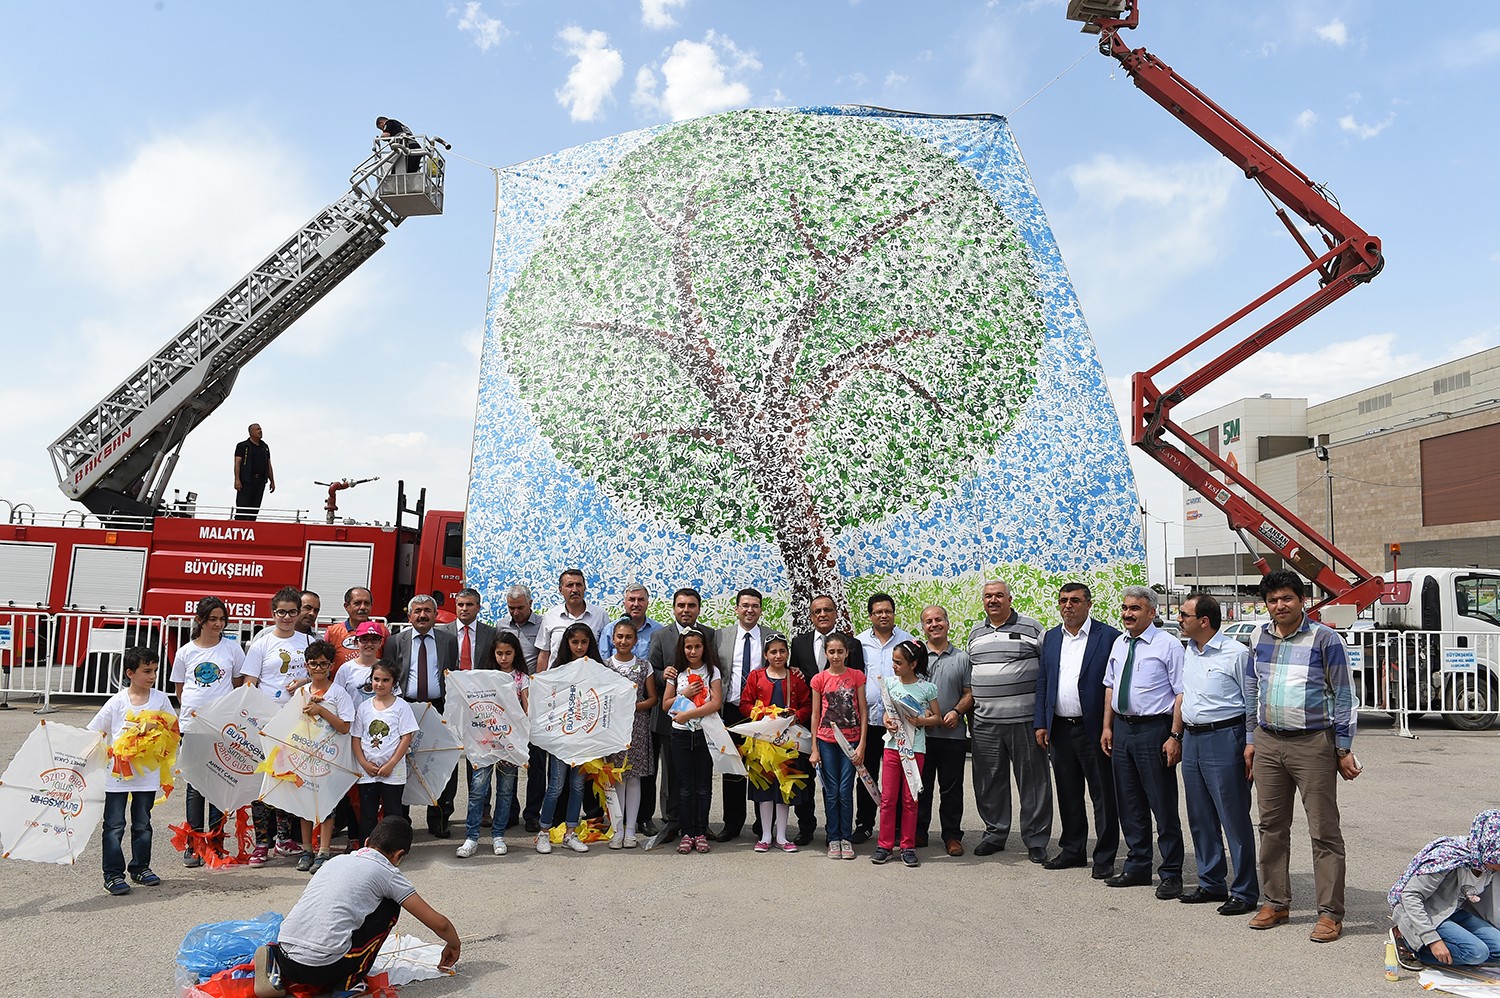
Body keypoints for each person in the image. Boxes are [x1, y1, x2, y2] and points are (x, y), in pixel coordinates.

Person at [1244, 569, 1361, 942]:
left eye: (1287, 598)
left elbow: (1343, 696)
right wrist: (1251, 738)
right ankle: (1275, 902)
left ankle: (1330, 913)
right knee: (1271, 827)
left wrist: (1342, 747)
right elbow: (1252, 690)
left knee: (1323, 831)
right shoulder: (1257, 635)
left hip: (1313, 744)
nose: (1279, 605)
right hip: (1268, 742)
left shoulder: (1325, 639)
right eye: (1273, 600)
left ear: (1302, 600)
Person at [253, 816, 460, 998]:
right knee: (391, 904)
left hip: (287, 954)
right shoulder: (387, 873)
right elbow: (439, 924)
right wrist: (454, 944)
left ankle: (274, 961)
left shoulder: (335, 861)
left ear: (367, 842)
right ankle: (349, 982)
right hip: (325, 968)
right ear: (398, 855)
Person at [1101, 585, 1186, 899]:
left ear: (1152, 612)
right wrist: (1107, 727)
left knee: (1162, 804)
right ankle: (1137, 866)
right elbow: (1110, 686)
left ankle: (1171, 872)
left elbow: (1180, 693)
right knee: (1130, 802)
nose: (1127, 614)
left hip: (1155, 731)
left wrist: (1175, 736)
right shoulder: (1120, 644)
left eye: (1135, 609)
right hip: (1122, 729)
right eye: (1125, 608)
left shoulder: (1168, 645)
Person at [1176, 592, 1259, 915]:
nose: (1180, 620)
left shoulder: (1236, 654)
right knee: (1199, 815)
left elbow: (1251, 700)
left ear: (1204, 621)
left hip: (1226, 737)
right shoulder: (1190, 652)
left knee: (1233, 816)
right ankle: (1211, 882)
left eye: (1184, 615)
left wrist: (1250, 741)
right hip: (1193, 739)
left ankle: (1244, 890)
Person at [1033, 583, 1122, 879]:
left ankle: (1105, 856)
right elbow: (1044, 681)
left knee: (1103, 794)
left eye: (1074, 600)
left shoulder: (1108, 637)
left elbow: (1114, 684)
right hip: (1059, 727)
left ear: (1088, 604)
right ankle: (1072, 850)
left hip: (1094, 728)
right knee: (1068, 792)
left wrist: (1110, 726)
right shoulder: (1051, 637)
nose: (1068, 606)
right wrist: (1041, 722)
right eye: (1063, 601)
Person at [967, 579, 1052, 863]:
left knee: (1033, 783)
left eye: (999, 596)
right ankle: (995, 833)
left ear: (1009, 599)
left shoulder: (1032, 628)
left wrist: (1042, 718)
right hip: (985, 723)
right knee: (989, 781)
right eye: (988, 596)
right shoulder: (975, 633)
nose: (993, 600)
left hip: (1025, 721)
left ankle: (1036, 839)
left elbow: (1047, 672)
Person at [88, 646, 177, 896]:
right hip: (117, 775)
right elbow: (95, 730)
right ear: (130, 673)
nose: (152, 676)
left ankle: (140, 867)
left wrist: (158, 734)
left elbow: (173, 729)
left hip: (146, 776)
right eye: (146, 671)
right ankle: (113, 874)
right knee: (114, 825)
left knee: (143, 823)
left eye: (155, 671)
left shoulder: (160, 699)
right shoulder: (117, 702)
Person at [170, 596, 245, 867]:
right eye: (212, 619)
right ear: (200, 620)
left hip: (220, 726)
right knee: (194, 784)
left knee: (217, 783)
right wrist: (193, 714)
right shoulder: (186, 651)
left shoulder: (232, 649)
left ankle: (216, 842)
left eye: (222, 619)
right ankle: (193, 843)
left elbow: (238, 686)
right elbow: (180, 689)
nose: (218, 624)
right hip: (193, 726)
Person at [242, 586, 315, 863]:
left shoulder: (307, 642)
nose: (286, 617)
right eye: (281, 612)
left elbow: (318, 674)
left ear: (299, 613)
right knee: (262, 782)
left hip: (296, 721)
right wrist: (259, 710)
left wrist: (304, 682)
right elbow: (249, 682)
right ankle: (262, 842)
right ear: (273, 613)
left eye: (292, 612)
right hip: (266, 722)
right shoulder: (261, 644)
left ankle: (285, 838)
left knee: (288, 780)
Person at [381, 593, 459, 837]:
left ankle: (440, 818)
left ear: (436, 615)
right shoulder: (396, 641)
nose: (422, 615)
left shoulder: (449, 640)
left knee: (442, 760)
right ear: (409, 615)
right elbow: (390, 673)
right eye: (417, 611)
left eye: (427, 611)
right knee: (404, 761)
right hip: (406, 707)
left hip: (439, 707)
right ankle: (401, 820)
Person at [789, 593, 865, 844]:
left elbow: (855, 687)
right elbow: (796, 676)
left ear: (836, 612)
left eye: (827, 610)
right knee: (807, 776)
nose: (822, 614)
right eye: (817, 611)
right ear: (811, 616)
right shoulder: (798, 643)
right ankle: (807, 826)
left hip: (845, 727)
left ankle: (844, 830)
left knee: (843, 786)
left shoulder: (852, 645)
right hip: (808, 720)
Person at [712, 587, 784, 842]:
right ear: (736, 609)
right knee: (732, 768)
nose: (749, 610)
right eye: (745, 605)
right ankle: (732, 823)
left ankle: (763, 825)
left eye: (755, 605)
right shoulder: (720, 636)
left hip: (763, 713)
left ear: (760, 609)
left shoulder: (772, 637)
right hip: (731, 710)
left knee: (764, 767)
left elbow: (783, 668)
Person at [1389, 809, 1500, 968]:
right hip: (1428, 913)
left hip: (1454, 912)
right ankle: (1409, 942)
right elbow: (1410, 896)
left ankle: (1449, 945)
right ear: (1488, 848)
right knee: (1476, 953)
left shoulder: (1488, 864)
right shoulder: (1447, 857)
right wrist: (1432, 940)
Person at [646, 587, 714, 840]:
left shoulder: (708, 634)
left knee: (699, 774)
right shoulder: (661, 635)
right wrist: (663, 674)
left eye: (691, 605)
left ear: (698, 608)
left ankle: (698, 824)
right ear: (674, 608)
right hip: (669, 718)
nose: (686, 610)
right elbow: (650, 669)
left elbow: (714, 668)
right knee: (673, 774)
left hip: (703, 718)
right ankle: (672, 821)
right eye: (681, 605)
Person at [458, 631, 530, 859]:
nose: (504, 658)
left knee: (506, 791)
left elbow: (527, 710)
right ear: (493, 654)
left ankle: (498, 835)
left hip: (509, 743)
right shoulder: (484, 677)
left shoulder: (521, 679)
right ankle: (471, 836)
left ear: (515, 653)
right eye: (499, 653)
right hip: (484, 743)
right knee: (478, 790)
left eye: (508, 653)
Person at [535, 622, 602, 855]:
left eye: (584, 642)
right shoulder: (558, 669)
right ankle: (543, 832)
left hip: (584, 739)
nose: (580, 646)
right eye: (575, 642)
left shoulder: (597, 669)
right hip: (561, 739)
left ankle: (570, 833)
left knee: (577, 786)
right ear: (567, 644)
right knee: (556, 785)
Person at [872, 639, 939, 869]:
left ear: (913, 664)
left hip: (915, 749)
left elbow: (937, 718)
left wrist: (921, 720)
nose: (894, 666)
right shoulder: (889, 684)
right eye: (893, 661)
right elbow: (885, 713)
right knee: (889, 799)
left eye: (899, 662)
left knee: (911, 799)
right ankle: (884, 845)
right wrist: (887, 723)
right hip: (892, 747)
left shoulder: (926, 688)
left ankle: (908, 846)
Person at [853, 593, 914, 844]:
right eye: (878, 612)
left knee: (898, 776)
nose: (883, 615)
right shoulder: (858, 643)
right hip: (868, 721)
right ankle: (864, 824)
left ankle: (898, 827)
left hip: (899, 722)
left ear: (894, 613)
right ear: (870, 616)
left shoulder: (908, 641)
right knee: (866, 774)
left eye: (888, 611)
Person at [740, 635, 810, 853]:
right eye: (773, 652)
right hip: (763, 742)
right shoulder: (756, 677)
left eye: (782, 651)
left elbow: (807, 704)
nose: (778, 656)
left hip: (787, 743)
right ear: (765, 655)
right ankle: (765, 835)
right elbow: (744, 703)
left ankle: (781, 835)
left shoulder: (795, 679)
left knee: (784, 788)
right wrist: (761, 713)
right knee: (765, 789)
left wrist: (795, 716)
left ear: (787, 653)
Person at [294, 640, 355, 874]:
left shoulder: (339, 693)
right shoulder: (302, 692)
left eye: (323, 664)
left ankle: (324, 851)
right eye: (313, 664)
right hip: (304, 756)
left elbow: (345, 727)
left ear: (331, 666)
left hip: (330, 758)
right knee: (305, 805)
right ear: (306, 666)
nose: (318, 668)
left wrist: (322, 711)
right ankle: (307, 849)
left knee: (327, 806)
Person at [916, 604, 972, 857]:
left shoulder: (962, 658)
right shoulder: (915, 658)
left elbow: (969, 693)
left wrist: (957, 712)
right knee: (921, 787)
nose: (934, 624)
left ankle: (952, 835)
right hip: (921, 737)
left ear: (947, 623)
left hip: (953, 736)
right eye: (928, 621)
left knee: (951, 789)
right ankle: (918, 832)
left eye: (939, 619)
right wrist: (921, 712)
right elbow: (907, 690)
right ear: (923, 627)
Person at [662, 627, 724, 854]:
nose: (693, 650)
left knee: (703, 786)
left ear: (704, 648)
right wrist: (684, 694)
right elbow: (666, 704)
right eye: (688, 646)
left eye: (697, 646)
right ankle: (687, 833)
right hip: (679, 735)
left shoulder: (712, 671)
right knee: (684, 786)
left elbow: (715, 703)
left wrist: (687, 714)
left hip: (704, 733)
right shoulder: (676, 673)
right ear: (682, 648)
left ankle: (700, 831)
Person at [809, 631, 866, 860]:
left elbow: (863, 711)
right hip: (826, 742)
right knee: (831, 791)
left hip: (851, 742)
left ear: (847, 653)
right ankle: (833, 837)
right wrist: (814, 748)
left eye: (840, 651)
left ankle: (846, 837)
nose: (835, 656)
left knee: (845, 790)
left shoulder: (857, 676)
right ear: (825, 653)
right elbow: (815, 715)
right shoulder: (819, 679)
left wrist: (862, 745)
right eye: (831, 652)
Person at [602, 619, 657, 848]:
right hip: (613, 728)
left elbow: (653, 698)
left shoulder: (645, 666)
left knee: (633, 778)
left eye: (628, 637)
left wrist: (632, 706)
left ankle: (631, 830)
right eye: (619, 637)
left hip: (637, 727)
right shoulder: (605, 666)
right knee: (616, 778)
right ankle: (617, 829)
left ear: (635, 641)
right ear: (613, 639)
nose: (623, 641)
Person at [352, 662, 418, 842]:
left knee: (393, 812)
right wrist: (364, 763)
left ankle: (393, 847)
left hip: (393, 771)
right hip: (367, 771)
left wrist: (391, 764)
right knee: (368, 813)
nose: (380, 684)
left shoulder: (401, 706)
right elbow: (356, 738)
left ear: (394, 683)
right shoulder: (364, 707)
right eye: (376, 679)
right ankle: (367, 847)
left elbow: (406, 737)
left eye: (385, 680)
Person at [499, 583, 544, 831]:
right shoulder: (501, 625)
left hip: (533, 697)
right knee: (508, 759)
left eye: (519, 608)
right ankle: (509, 811)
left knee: (536, 762)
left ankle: (532, 814)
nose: (515, 612)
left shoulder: (542, 624)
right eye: (511, 608)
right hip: (507, 703)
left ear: (530, 604)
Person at [534, 568, 609, 673]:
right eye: (569, 585)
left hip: (591, 679)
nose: (574, 590)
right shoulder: (550, 617)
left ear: (584, 588)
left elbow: (606, 652)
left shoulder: (600, 615)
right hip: (558, 679)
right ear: (561, 590)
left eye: (578, 585)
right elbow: (544, 654)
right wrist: (540, 683)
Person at [601, 583, 662, 659]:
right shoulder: (610, 630)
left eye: (641, 600)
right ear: (624, 604)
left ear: (647, 604)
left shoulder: (659, 631)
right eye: (632, 600)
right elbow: (602, 663)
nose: (636, 604)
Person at [441, 587, 496, 672]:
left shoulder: (491, 633)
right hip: (451, 682)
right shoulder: (442, 632)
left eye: (469, 604)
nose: (464, 609)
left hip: (480, 682)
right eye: (460, 605)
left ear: (478, 608)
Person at [325, 587, 377, 670]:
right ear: (346, 606)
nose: (363, 607)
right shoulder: (333, 632)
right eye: (357, 603)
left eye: (367, 603)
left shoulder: (381, 631)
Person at [233, 423, 274, 521]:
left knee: (254, 508)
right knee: (243, 507)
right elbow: (237, 463)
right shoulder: (242, 446)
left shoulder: (265, 447)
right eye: (257, 429)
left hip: (260, 481)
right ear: (251, 432)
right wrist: (237, 479)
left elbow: (268, 464)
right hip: (246, 481)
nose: (260, 431)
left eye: (260, 429)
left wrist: (272, 480)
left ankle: (251, 524)